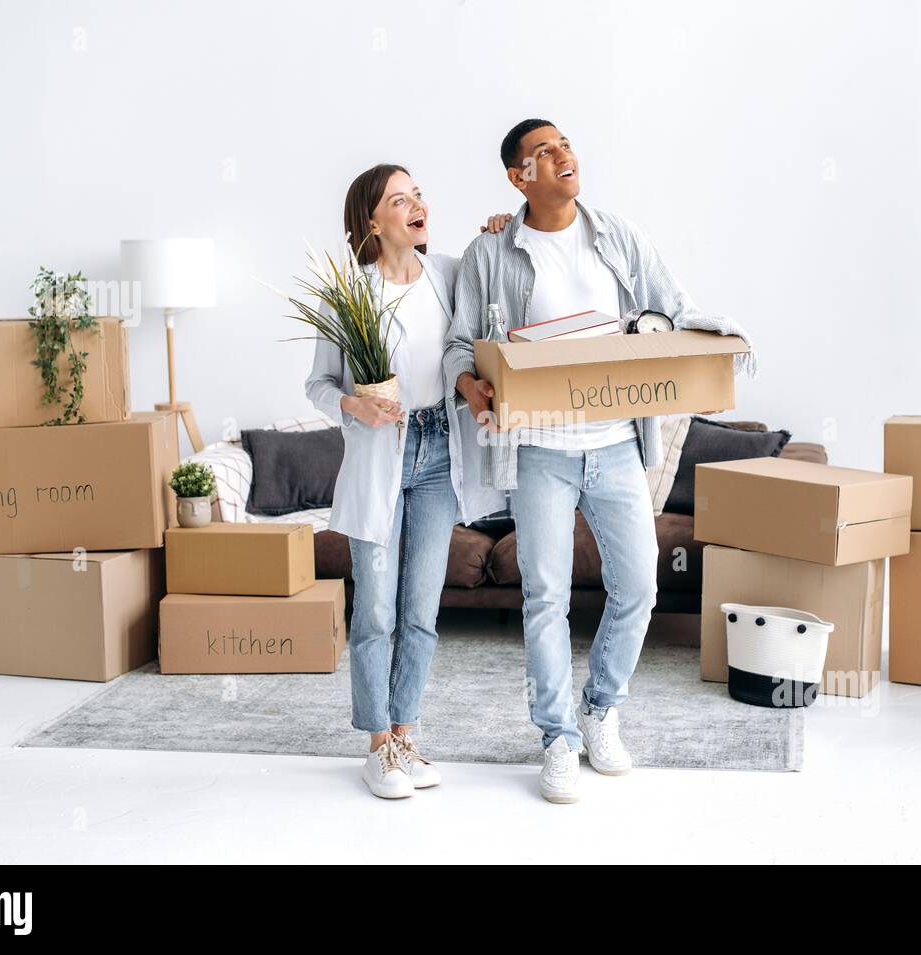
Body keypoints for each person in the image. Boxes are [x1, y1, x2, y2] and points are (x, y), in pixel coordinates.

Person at [444, 120, 756, 804]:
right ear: (517, 177)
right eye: (543, 151)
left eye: (566, 144)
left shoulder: (618, 236)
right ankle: (557, 736)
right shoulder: (490, 250)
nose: (563, 156)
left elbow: (674, 309)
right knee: (545, 597)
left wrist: (727, 335)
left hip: (616, 444)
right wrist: (470, 386)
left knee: (638, 585)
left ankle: (600, 708)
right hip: (537, 449)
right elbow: (460, 344)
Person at [306, 164, 508, 799]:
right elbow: (318, 385)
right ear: (374, 221)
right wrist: (354, 406)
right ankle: (375, 747)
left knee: (421, 611)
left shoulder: (449, 274)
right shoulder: (349, 294)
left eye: (418, 193)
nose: (418, 204)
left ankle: (406, 734)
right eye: (401, 199)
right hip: (380, 457)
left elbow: (497, 271)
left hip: (437, 453)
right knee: (374, 611)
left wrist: (503, 230)